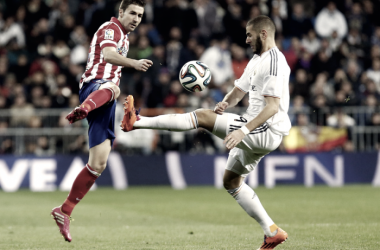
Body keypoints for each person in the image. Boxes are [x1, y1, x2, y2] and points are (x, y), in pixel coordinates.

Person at [122, 15, 290, 249]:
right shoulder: (257, 60)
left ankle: (137, 121)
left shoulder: (274, 61)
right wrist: (225, 103)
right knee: (232, 182)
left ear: (263, 34)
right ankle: (272, 231)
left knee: (201, 117)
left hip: (264, 129)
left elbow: (272, 107)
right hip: (255, 127)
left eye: (250, 35)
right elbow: (239, 90)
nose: (246, 39)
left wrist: (242, 131)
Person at [50, 0, 153, 242]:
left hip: (103, 101)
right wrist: (134, 63)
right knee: (114, 89)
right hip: (94, 88)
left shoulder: (125, 38)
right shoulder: (111, 28)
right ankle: (83, 109)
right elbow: (107, 54)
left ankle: (64, 211)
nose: (136, 19)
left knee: (98, 163)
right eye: (132, 13)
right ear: (121, 12)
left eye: (140, 15)